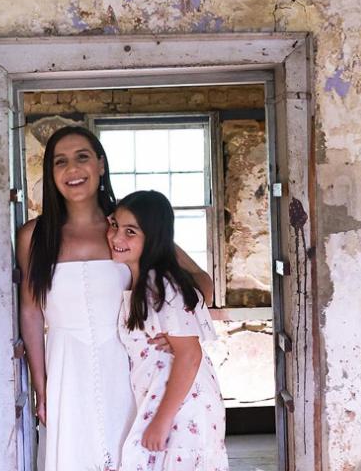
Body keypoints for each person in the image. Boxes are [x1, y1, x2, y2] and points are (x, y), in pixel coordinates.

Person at [16, 126, 214, 471]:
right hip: (65, 368)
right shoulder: (34, 235)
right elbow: (31, 312)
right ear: (51, 174)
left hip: (129, 368)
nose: (72, 169)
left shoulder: (126, 230)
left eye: (82, 157)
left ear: (101, 165)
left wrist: (174, 329)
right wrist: (41, 386)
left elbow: (200, 281)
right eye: (60, 162)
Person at [108, 190, 228, 471]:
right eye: (114, 225)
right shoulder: (146, 283)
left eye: (130, 232)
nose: (116, 238)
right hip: (165, 402)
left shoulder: (159, 285)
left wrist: (161, 421)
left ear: (153, 238)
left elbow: (189, 355)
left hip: (180, 410)